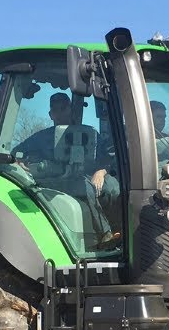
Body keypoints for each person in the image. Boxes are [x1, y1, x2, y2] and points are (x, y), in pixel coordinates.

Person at [13, 92, 120, 247]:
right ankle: (105, 234)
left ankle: (120, 230)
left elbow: (107, 157)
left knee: (114, 187)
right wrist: (19, 161)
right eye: (56, 110)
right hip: (56, 181)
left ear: (70, 110)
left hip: (90, 176)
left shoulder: (89, 133)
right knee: (86, 187)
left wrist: (101, 171)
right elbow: (17, 151)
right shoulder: (41, 138)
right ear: (51, 114)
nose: (60, 113)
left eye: (64, 108)